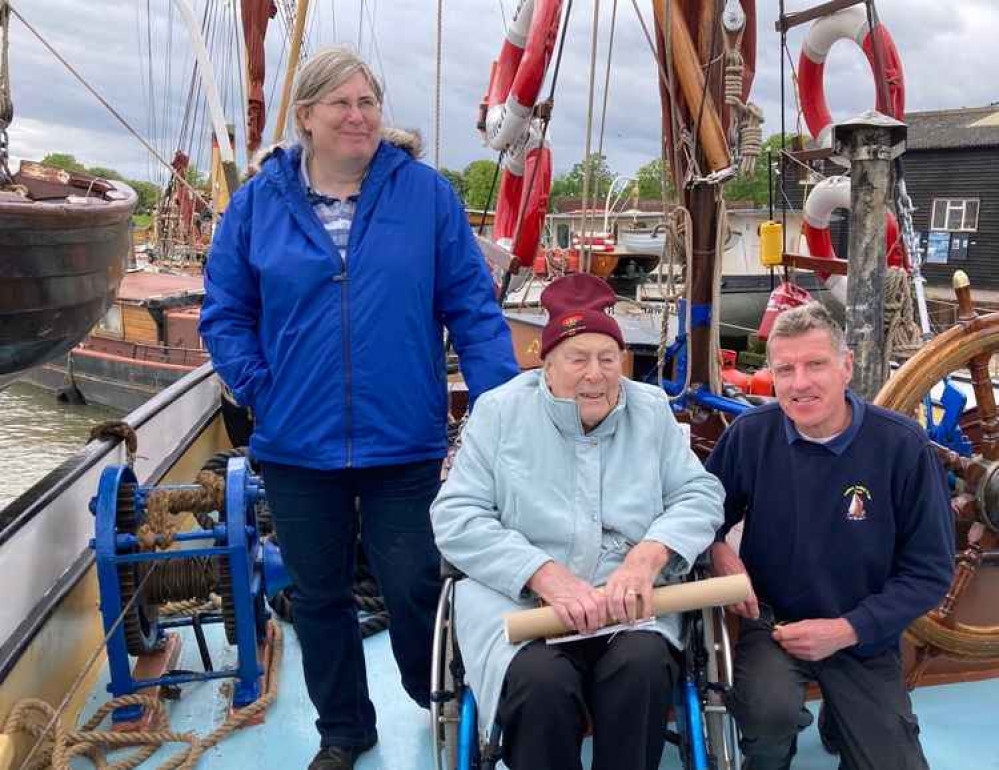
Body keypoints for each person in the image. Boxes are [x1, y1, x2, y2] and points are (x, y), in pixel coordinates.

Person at [199, 46, 519, 770]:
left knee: (413, 586)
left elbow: (470, 306)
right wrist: (261, 387)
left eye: (367, 101)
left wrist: (502, 408)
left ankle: (434, 703)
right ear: (305, 116)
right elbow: (224, 313)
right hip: (294, 444)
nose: (357, 115)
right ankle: (344, 730)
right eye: (339, 103)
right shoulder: (257, 204)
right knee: (318, 596)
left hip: (401, 439)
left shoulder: (425, 196)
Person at [431, 273, 724, 770]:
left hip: (629, 602)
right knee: (541, 685)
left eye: (608, 359)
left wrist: (648, 556)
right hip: (522, 606)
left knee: (643, 670)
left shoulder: (650, 411)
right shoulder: (499, 413)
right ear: (547, 363)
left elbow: (699, 493)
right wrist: (542, 574)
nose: (596, 374)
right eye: (578, 359)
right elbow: (457, 515)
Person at [705, 301, 954, 770]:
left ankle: (844, 719)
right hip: (774, 624)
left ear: (846, 367)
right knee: (768, 714)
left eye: (815, 364)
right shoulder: (749, 435)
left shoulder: (902, 447)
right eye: (785, 369)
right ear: (772, 376)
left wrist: (848, 629)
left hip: (862, 629)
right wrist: (717, 545)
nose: (800, 383)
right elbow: (700, 511)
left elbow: (931, 571)